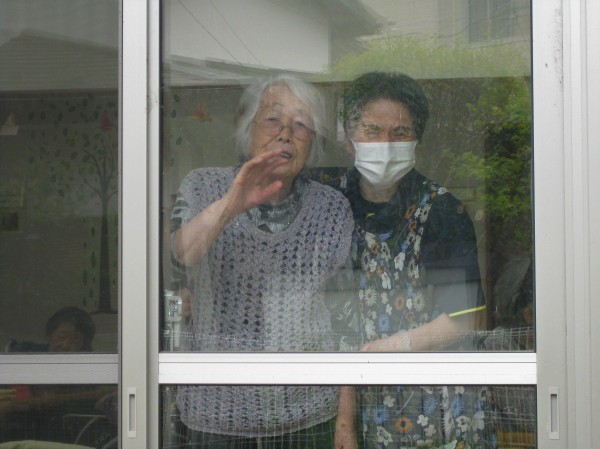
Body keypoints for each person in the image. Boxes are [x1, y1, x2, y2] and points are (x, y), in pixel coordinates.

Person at [169, 75, 354, 448]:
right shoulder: (202, 186)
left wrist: (345, 422)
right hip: (215, 416)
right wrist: (231, 204)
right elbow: (180, 256)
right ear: (246, 129)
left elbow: (347, 324)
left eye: (300, 124)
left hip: (307, 416)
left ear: (312, 142)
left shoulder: (331, 209)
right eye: (272, 119)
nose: (285, 134)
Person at [329, 72, 493, 449]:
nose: (386, 145)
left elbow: (466, 319)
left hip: (440, 401)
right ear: (349, 139)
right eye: (372, 130)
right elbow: (333, 323)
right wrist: (344, 418)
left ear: (416, 140)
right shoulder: (333, 207)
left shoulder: (441, 211)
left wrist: (396, 345)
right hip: (366, 398)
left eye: (400, 132)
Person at [7, 306, 95, 352]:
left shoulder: (88, 369)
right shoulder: (26, 351)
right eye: (62, 336)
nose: (65, 345)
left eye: (75, 342)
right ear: (50, 335)